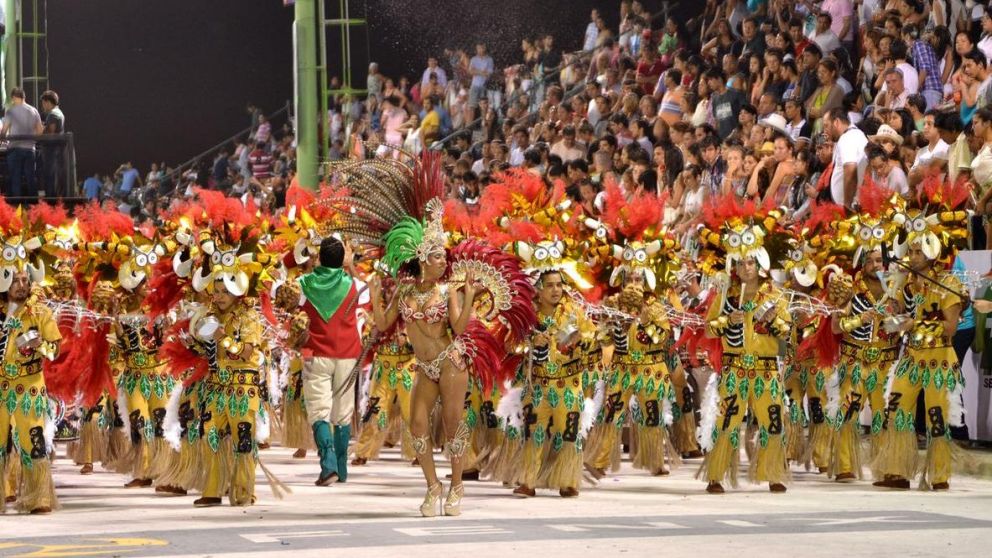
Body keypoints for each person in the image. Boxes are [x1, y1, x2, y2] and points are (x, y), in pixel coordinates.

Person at [700, 203, 792, 494]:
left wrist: (772, 320)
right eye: (740, 264)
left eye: (750, 263)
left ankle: (773, 472)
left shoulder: (774, 295)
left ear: (759, 264)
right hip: (735, 369)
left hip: (765, 370)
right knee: (727, 421)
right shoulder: (726, 294)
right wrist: (728, 320)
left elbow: (787, 332)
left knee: (772, 421)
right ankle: (716, 475)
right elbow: (708, 328)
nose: (745, 268)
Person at [299, 236, 366, 486]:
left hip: (316, 354)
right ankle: (342, 468)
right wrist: (350, 266)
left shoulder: (303, 283)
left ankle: (327, 466)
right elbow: (370, 294)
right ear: (343, 259)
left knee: (319, 410)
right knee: (343, 411)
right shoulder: (355, 285)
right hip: (348, 354)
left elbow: (277, 290)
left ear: (319, 256)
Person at [0, 268, 62, 514]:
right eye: (15, 281)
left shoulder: (41, 312)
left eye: (25, 280)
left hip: (30, 388)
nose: (21, 285)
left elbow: (55, 351)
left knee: (33, 442)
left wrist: (38, 346)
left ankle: (39, 497)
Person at [1, 88, 43, 198]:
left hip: (15, 148)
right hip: (30, 149)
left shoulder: (11, 111)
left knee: (15, 178)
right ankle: (34, 205)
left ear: (14, 97)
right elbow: (40, 131)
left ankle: (16, 205)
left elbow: (4, 131)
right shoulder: (34, 110)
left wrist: (3, 139)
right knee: (31, 178)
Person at [826, 107, 868, 208]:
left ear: (836, 122)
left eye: (826, 126)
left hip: (851, 207)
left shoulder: (848, 138)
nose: (825, 131)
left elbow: (850, 169)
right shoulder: (852, 135)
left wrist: (847, 205)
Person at [38, 90, 65, 197]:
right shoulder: (59, 113)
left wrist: (41, 129)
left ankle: (50, 201)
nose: (43, 106)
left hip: (51, 152)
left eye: (43, 103)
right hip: (55, 152)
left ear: (48, 102)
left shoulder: (53, 115)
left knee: (50, 177)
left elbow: (50, 133)